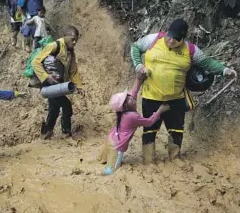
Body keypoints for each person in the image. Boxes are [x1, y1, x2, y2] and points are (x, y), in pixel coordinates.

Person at [131, 18, 238, 164]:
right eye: (169, 36)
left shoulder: (190, 49)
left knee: (176, 130)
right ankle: (148, 159)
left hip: (176, 98)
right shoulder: (154, 39)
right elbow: (135, 48)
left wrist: (224, 70)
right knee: (149, 128)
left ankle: (174, 158)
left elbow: (207, 63)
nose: (171, 41)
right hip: (151, 96)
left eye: (176, 39)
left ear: (183, 38)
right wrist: (138, 65)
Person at [97, 67, 170, 175]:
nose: (131, 97)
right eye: (128, 99)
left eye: (128, 97)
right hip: (116, 146)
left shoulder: (125, 109)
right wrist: (160, 110)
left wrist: (139, 78)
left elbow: (134, 91)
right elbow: (149, 122)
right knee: (111, 170)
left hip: (111, 138)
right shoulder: (131, 116)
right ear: (125, 106)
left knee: (101, 160)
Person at [32, 26, 84, 139]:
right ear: (64, 36)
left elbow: (73, 71)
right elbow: (35, 62)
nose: (74, 42)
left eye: (76, 40)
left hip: (59, 84)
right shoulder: (54, 46)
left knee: (54, 108)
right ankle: (66, 132)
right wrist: (46, 77)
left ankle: (46, 133)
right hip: (49, 83)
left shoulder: (71, 51)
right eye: (72, 39)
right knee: (66, 106)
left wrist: (79, 86)